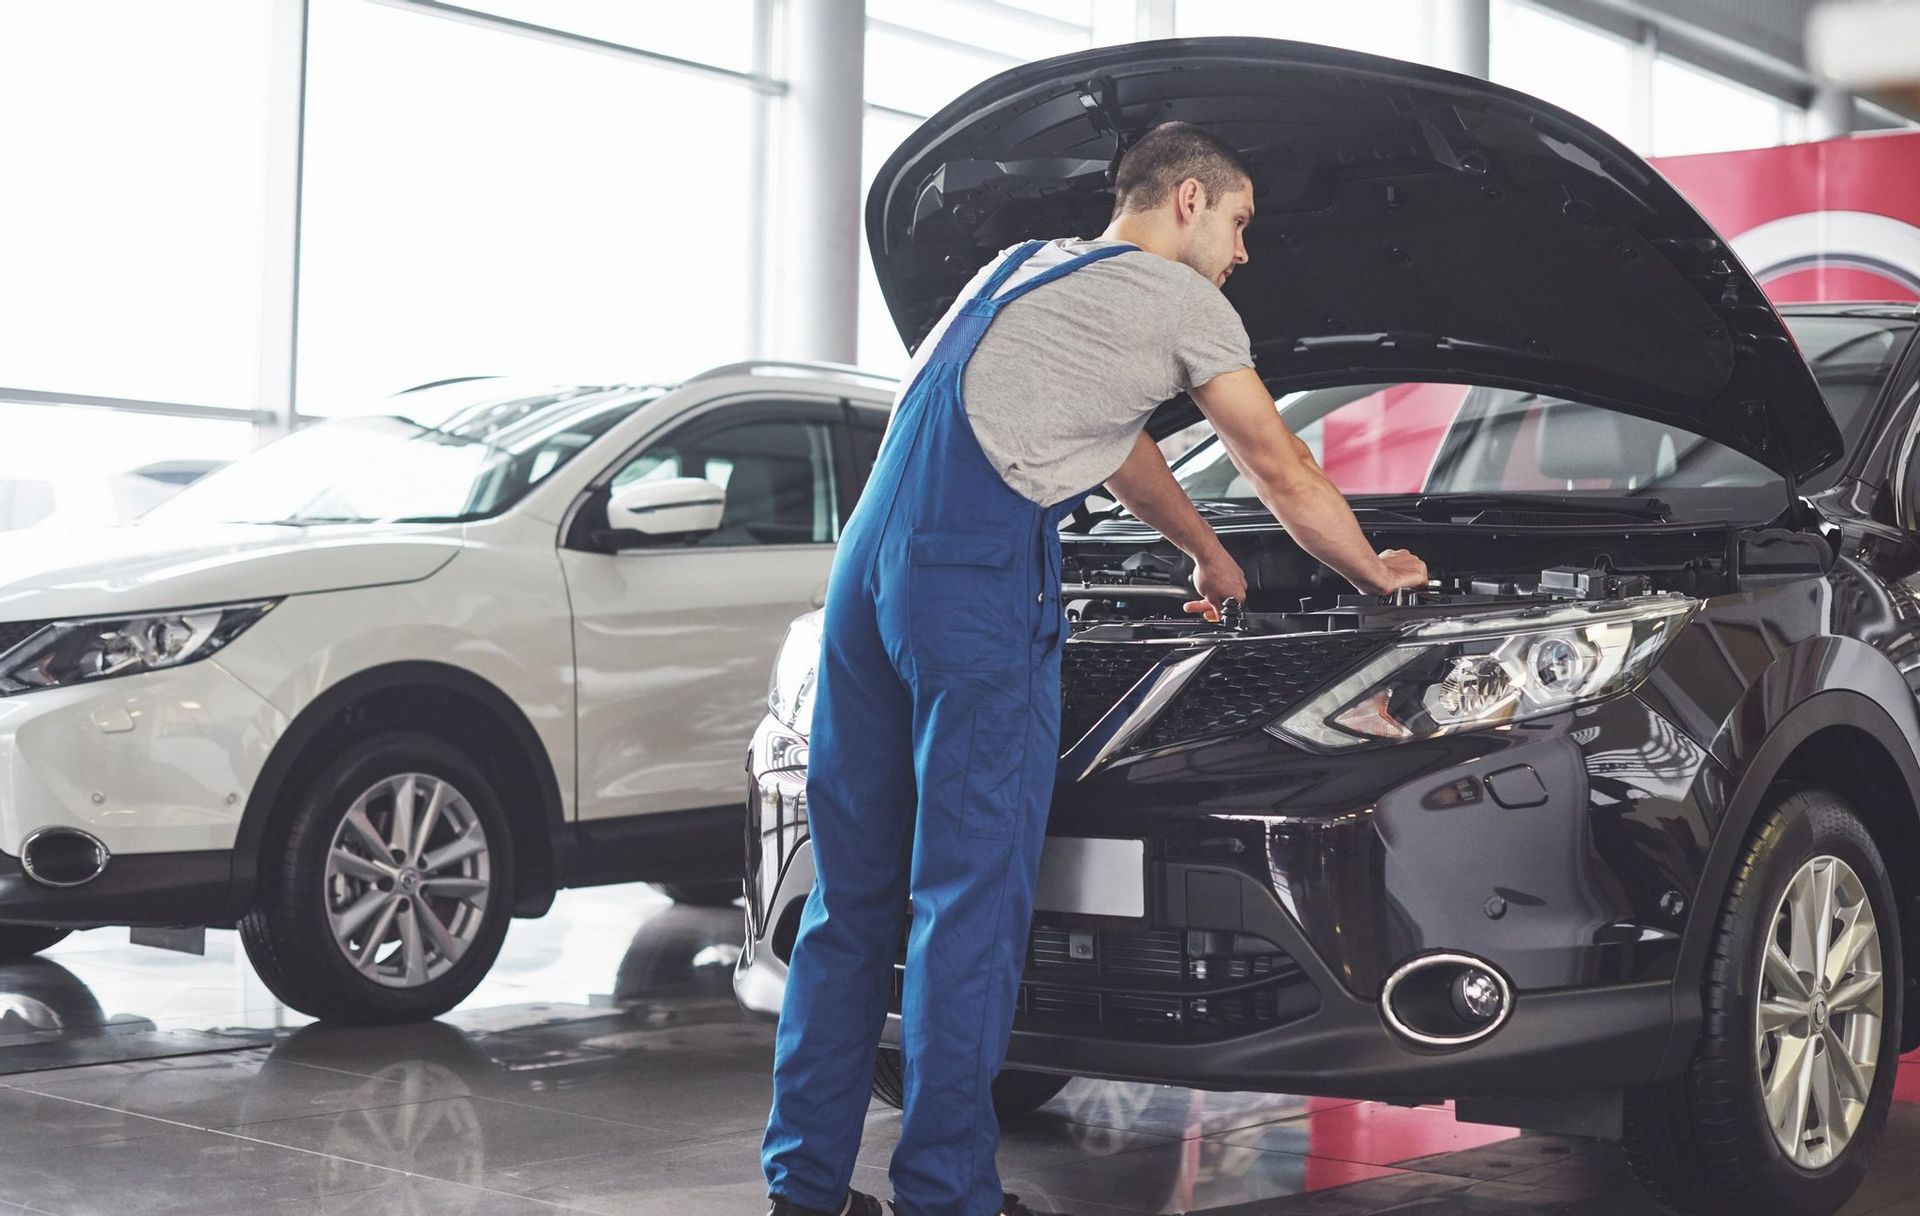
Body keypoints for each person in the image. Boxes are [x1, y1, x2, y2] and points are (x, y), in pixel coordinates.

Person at [762, 121, 1429, 1216]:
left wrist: (1202, 550)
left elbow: (1115, 441)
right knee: (965, 905)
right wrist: (1374, 570)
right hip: (969, 579)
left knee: (853, 900)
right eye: (1240, 222)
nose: (1244, 253)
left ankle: (804, 1188)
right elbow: (1281, 462)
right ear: (1187, 202)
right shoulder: (1182, 301)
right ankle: (944, 1195)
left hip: (865, 575)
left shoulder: (1019, 269)